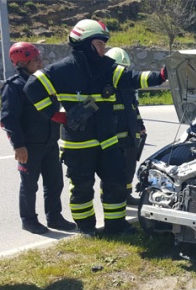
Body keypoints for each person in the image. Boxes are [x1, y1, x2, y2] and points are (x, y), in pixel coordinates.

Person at [23, 19, 167, 237]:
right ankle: (87, 228)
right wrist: (55, 115)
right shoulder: (62, 70)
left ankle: (116, 226)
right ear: (85, 43)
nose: (103, 49)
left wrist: (162, 76)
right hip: (78, 144)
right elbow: (32, 86)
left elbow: (134, 78)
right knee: (81, 188)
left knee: (116, 183)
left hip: (107, 140)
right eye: (100, 44)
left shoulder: (107, 68)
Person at [0, 42, 76, 234]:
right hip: (29, 146)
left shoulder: (43, 83)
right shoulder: (14, 87)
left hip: (50, 142)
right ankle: (29, 220)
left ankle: (54, 217)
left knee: (54, 182)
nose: (40, 62)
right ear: (22, 63)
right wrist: (18, 146)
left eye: (40, 58)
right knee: (29, 185)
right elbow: (9, 119)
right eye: (35, 60)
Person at [105, 47, 147, 205]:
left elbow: (134, 108)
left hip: (130, 134)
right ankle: (109, 197)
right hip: (113, 135)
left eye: (125, 69)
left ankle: (126, 195)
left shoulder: (128, 86)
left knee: (129, 167)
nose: (122, 72)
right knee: (111, 171)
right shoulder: (105, 87)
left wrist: (140, 125)